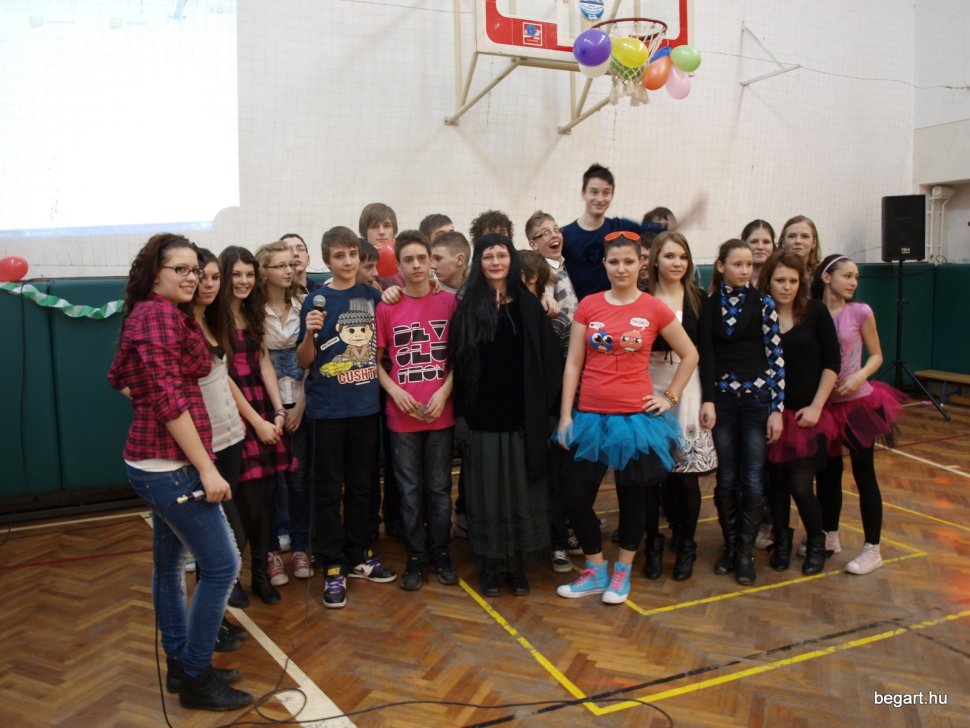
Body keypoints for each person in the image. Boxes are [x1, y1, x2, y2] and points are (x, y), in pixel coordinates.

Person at [108, 233, 251, 711]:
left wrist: (149, 402)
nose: (192, 278)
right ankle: (195, 677)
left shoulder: (160, 314)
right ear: (156, 274)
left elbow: (120, 377)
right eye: (181, 270)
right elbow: (169, 401)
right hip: (169, 467)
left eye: (196, 270)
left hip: (159, 461)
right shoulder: (157, 318)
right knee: (223, 565)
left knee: (170, 565)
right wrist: (207, 469)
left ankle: (180, 663)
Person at [555, 231, 698, 604]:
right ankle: (595, 570)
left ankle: (622, 574)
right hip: (590, 417)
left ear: (641, 264)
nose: (621, 268)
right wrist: (566, 415)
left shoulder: (654, 308)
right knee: (575, 498)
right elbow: (573, 363)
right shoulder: (589, 305)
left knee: (633, 500)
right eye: (614, 262)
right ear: (605, 264)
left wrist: (669, 397)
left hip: (636, 420)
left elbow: (690, 354)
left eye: (629, 261)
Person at [449, 233, 562, 597]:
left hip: (521, 420)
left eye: (501, 255)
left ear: (511, 260)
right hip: (482, 420)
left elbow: (549, 361)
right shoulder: (468, 307)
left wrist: (547, 413)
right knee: (487, 497)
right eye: (488, 256)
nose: (495, 262)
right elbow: (457, 365)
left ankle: (515, 567)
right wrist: (461, 417)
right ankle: (490, 566)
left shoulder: (529, 305)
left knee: (520, 495)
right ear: (478, 263)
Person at [297, 226, 397, 609]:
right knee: (327, 489)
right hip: (327, 410)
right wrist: (309, 334)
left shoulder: (371, 295)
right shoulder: (316, 300)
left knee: (362, 486)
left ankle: (358, 555)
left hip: (365, 407)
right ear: (327, 261)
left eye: (352, 254)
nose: (348, 261)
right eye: (339, 256)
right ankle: (332, 564)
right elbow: (304, 361)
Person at [375, 230, 460, 590]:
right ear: (399, 265)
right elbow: (375, 361)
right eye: (407, 260)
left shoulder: (449, 302)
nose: (415, 266)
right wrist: (395, 392)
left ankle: (440, 552)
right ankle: (416, 557)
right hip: (402, 416)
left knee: (439, 488)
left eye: (421, 258)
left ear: (430, 261)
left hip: (440, 412)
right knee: (409, 490)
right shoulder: (387, 307)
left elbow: (460, 359)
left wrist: (443, 392)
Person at [811, 254, 906, 575]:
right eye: (847, 275)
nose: (853, 282)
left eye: (856, 277)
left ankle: (872, 548)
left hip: (858, 403)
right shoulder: (813, 311)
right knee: (828, 473)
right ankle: (830, 535)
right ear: (827, 277)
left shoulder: (861, 311)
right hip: (826, 405)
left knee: (864, 474)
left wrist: (859, 376)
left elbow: (877, 355)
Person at [699, 239, 785, 586]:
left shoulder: (764, 303)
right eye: (738, 264)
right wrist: (707, 399)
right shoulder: (707, 305)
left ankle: (745, 552)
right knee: (726, 478)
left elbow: (776, 357)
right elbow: (705, 355)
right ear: (721, 266)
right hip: (722, 401)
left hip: (756, 402)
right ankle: (731, 545)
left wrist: (777, 408)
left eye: (749, 264)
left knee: (752, 477)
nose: (745, 270)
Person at [756, 252, 839, 575]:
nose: (787, 287)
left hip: (807, 414)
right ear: (768, 281)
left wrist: (817, 406)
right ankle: (782, 541)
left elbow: (832, 362)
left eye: (793, 280)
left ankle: (817, 542)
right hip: (773, 414)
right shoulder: (760, 314)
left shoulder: (815, 311)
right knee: (775, 485)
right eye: (780, 280)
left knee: (801, 485)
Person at [219, 246, 291, 605]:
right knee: (241, 505)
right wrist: (257, 422)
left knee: (264, 502)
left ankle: (261, 575)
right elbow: (223, 379)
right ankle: (231, 579)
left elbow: (264, 364)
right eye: (236, 274)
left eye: (249, 274)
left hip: (261, 408)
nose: (244, 281)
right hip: (234, 414)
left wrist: (277, 410)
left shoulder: (253, 312)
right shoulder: (213, 318)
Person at [645, 232, 717, 581]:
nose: (677, 263)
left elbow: (708, 352)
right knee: (650, 475)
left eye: (683, 257)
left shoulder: (698, 299)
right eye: (670, 256)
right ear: (655, 260)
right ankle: (653, 544)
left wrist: (709, 399)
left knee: (686, 476)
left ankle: (686, 544)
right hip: (647, 384)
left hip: (687, 388)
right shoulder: (641, 297)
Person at [255, 240, 312, 585]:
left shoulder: (304, 304)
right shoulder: (253, 311)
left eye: (291, 264)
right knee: (272, 482)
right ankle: (273, 551)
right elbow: (258, 364)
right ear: (264, 271)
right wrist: (277, 411)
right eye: (280, 265)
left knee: (300, 479)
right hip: (267, 407)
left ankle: (302, 546)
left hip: (302, 404)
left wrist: (300, 407)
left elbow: (312, 360)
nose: (289, 271)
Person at [561, 164, 666, 300]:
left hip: (614, 306)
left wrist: (688, 216)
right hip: (579, 308)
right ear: (583, 193)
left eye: (606, 193)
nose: (600, 199)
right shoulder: (565, 235)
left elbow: (662, 230)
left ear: (612, 195)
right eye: (594, 192)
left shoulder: (620, 226)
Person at [741, 219, 776, 287]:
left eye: (766, 242)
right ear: (743, 244)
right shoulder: (729, 279)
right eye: (754, 242)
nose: (760, 247)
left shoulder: (782, 278)